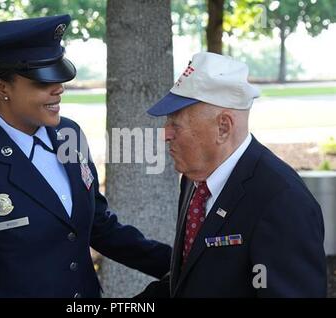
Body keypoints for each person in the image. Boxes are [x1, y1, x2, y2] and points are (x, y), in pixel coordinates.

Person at [0, 14, 171, 298]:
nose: (59, 88)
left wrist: (181, 264)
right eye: (42, 81)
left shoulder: (69, 134)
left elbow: (98, 225)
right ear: (1, 87)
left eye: (59, 75)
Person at [138, 52, 326, 297]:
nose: (165, 134)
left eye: (176, 124)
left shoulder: (282, 201)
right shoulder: (194, 181)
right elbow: (190, 277)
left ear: (223, 127)